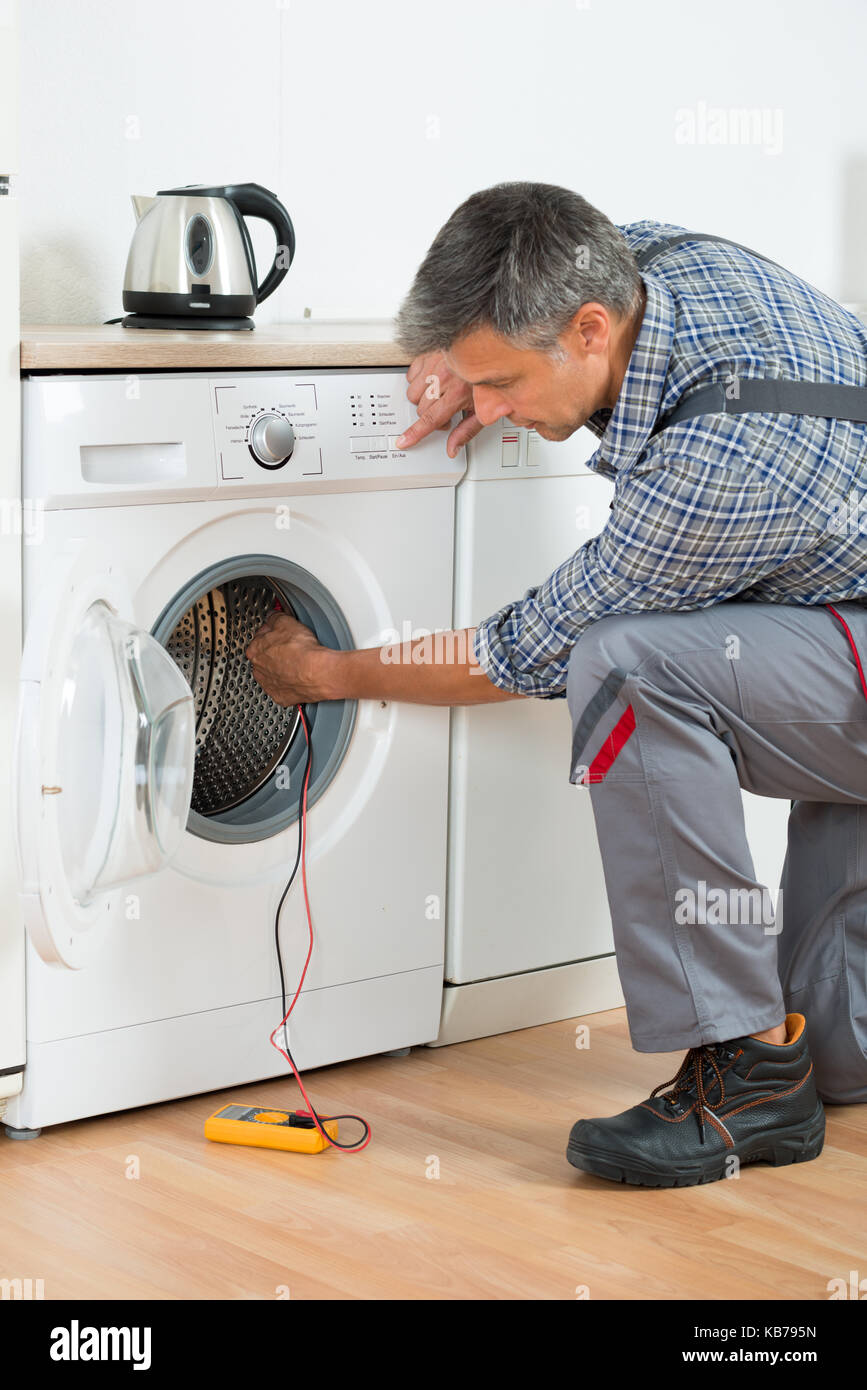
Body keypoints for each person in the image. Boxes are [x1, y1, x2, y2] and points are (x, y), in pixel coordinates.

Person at [247, 181, 867, 1188]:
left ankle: (749, 1072)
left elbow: (523, 651)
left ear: (587, 331)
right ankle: (812, 1060)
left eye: (501, 385)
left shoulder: (720, 465)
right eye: (472, 381)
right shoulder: (653, 262)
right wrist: (468, 365)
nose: (488, 409)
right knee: (841, 1053)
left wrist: (329, 671)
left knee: (626, 665)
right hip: (849, 590)